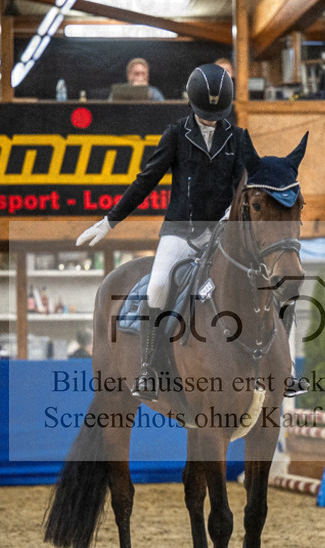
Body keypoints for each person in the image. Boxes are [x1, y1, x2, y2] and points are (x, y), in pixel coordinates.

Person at [76, 63, 248, 400]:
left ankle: (280, 371)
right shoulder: (175, 134)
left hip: (221, 234)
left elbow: (245, 182)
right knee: (157, 285)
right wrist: (110, 220)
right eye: (205, 113)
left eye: (218, 113)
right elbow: (146, 180)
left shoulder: (238, 138)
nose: (212, 119)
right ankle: (149, 368)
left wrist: (232, 215)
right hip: (180, 232)